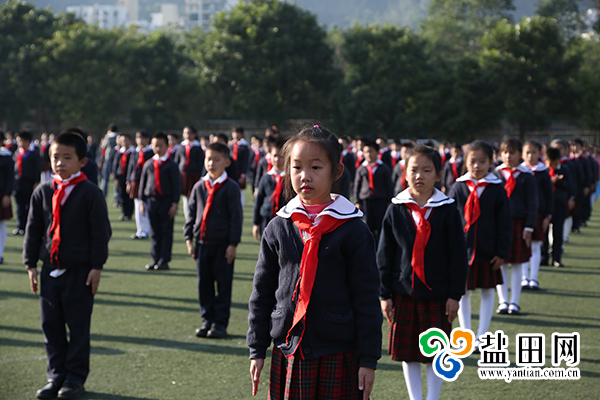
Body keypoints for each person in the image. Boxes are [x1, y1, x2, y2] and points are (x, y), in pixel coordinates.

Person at [247, 126, 382, 400]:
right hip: (289, 348)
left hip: (338, 350)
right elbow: (262, 293)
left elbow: (366, 298)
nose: (305, 176)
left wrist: (368, 358)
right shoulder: (278, 227)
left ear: (337, 171)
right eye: (296, 167)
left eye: (316, 167)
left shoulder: (354, 230)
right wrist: (257, 348)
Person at [23, 131, 111, 400]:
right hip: (49, 270)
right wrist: (30, 264)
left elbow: (100, 233)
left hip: (80, 272)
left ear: (82, 161)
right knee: (51, 326)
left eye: (67, 157)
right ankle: (56, 376)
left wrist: (96, 266)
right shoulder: (43, 191)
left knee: (78, 328)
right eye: (55, 157)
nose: (60, 163)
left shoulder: (90, 193)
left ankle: (74, 379)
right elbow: (33, 230)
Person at [377, 144, 467, 400]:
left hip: (439, 294)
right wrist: (384, 294)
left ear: (438, 175)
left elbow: (458, 256)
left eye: (427, 170)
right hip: (403, 293)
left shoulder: (448, 209)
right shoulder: (396, 208)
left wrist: (455, 295)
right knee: (409, 353)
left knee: (437, 352)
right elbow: (384, 255)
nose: (419, 176)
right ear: (404, 173)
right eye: (414, 169)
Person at [450, 141, 511, 350]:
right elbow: (449, 222)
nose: (477, 166)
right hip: (461, 251)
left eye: (482, 161)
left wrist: (502, 252)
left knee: (487, 292)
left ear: (491, 162)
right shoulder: (458, 187)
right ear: (465, 162)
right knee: (463, 293)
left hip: (489, 250)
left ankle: (482, 336)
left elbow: (505, 223)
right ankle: (466, 336)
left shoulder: (497, 189)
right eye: (472, 161)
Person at [184, 142, 243, 339]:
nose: (211, 163)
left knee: (223, 284)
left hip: (223, 245)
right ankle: (207, 319)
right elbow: (191, 214)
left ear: (226, 162)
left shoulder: (231, 188)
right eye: (208, 159)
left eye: (216, 160)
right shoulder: (199, 186)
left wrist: (233, 244)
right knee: (204, 284)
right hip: (202, 243)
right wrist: (189, 239)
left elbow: (236, 218)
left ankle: (220, 323)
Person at [493, 138, 538, 316]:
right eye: (505, 152)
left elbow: (533, 204)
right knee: (500, 263)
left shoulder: (527, 176)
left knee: (518, 264)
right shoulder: (496, 174)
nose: (508, 156)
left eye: (512, 152)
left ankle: (515, 302)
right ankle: (503, 301)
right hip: (499, 225)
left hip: (519, 224)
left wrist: (529, 227)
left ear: (520, 154)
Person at [139, 132, 181, 271]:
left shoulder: (171, 164)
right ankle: (155, 259)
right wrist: (142, 201)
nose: (157, 148)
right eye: (155, 145)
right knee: (154, 232)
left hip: (166, 202)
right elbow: (143, 183)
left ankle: (164, 260)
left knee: (166, 232)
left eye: (161, 145)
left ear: (167, 146)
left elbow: (176, 185)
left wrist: (174, 203)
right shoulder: (149, 163)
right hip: (152, 201)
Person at [521, 141, 553, 289]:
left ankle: (533, 278)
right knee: (522, 246)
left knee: (535, 246)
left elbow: (549, 195)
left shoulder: (543, 172)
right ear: (522, 154)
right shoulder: (519, 172)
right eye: (527, 152)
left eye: (534, 152)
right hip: (522, 215)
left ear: (540, 154)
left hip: (539, 214)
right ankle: (523, 277)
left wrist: (548, 216)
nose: (530, 156)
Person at [353, 141, 394, 246]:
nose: (368, 154)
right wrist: (357, 201)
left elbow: (389, 185)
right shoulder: (362, 168)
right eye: (366, 152)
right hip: (366, 200)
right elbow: (357, 185)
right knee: (368, 225)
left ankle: (381, 246)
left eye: (371, 151)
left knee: (381, 225)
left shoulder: (384, 168)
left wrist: (390, 200)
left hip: (381, 200)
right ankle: (369, 246)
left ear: (377, 152)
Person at [252, 139, 285, 241]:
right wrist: (256, 223)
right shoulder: (266, 177)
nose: (277, 159)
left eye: (281, 156)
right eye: (275, 156)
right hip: (266, 219)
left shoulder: (291, 179)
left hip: (285, 220)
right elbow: (258, 201)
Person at [545, 147, 572, 268]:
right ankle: (544, 257)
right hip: (546, 205)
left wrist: (559, 182)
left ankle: (556, 258)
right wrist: (549, 181)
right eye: (550, 163)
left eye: (555, 163)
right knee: (544, 233)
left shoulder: (565, 169)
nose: (553, 165)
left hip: (559, 204)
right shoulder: (543, 170)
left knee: (558, 232)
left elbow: (570, 186)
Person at [13, 130, 41, 235]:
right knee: (19, 206)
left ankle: (28, 227)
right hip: (18, 182)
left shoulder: (34, 154)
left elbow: (37, 169)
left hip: (29, 182)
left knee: (29, 206)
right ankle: (20, 226)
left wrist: (36, 182)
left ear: (27, 141)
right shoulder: (17, 153)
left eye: (20, 141)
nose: (19, 143)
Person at [127, 130, 153, 240]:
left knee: (146, 206)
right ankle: (139, 230)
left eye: (142, 138)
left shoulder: (151, 153)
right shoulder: (135, 152)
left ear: (147, 139)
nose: (140, 140)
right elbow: (130, 167)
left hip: (147, 182)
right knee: (137, 206)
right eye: (138, 138)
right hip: (136, 181)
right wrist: (128, 181)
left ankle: (147, 230)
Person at [176, 125, 204, 221]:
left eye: (189, 133)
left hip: (194, 175)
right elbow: (177, 161)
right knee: (185, 198)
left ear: (194, 134)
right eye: (185, 133)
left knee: (195, 196)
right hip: (183, 174)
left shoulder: (198, 147)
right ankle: (188, 219)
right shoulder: (181, 146)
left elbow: (201, 163)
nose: (187, 135)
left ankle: (195, 218)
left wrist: (201, 176)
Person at [113, 134, 135, 221]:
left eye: (126, 140)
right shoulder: (119, 153)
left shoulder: (133, 153)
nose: (124, 142)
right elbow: (115, 165)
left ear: (130, 141)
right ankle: (124, 213)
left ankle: (129, 214)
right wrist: (115, 177)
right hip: (121, 176)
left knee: (130, 196)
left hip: (129, 177)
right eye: (122, 141)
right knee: (122, 195)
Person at [0, 132, 14, 263]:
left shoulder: (6, 157)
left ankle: (0, 253)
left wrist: (7, 194)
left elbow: (10, 177)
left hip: (2, 193)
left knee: (1, 224)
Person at [99, 124, 119, 198]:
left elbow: (103, 145)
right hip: (117, 157)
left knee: (105, 177)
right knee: (116, 178)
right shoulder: (119, 136)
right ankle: (117, 196)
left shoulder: (108, 136)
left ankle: (103, 194)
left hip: (108, 157)